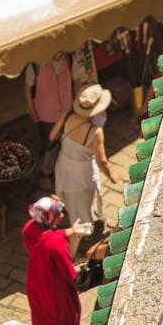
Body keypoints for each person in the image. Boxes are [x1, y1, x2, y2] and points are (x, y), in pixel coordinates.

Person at [50, 83, 119, 258]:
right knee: (82, 217)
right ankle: (71, 254)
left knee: (71, 201)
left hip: (63, 167)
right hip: (80, 177)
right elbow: (102, 160)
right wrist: (111, 175)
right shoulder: (95, 132)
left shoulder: (66, 116)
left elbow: (52, 136)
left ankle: (71, 217)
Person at [22, 197, 82, 325]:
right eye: (58, 213)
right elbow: (68, 272)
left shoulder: (29, 228)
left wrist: (70, 231)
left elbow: (48, 236)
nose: (62, 215)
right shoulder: (56, 244)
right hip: (55, 290)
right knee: (62, 323)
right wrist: (80, 283)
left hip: (37, 282)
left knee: (43, 322)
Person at [24, 51, 82, 187]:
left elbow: (77, 82)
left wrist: (77, 106)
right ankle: (45, 174)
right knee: (47, 146)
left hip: (66, 111)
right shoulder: (35, 64)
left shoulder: (69, 59)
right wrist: (33, 114)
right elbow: (27, 89)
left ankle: (60, 172)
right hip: (45, 114)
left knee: (65, 144)